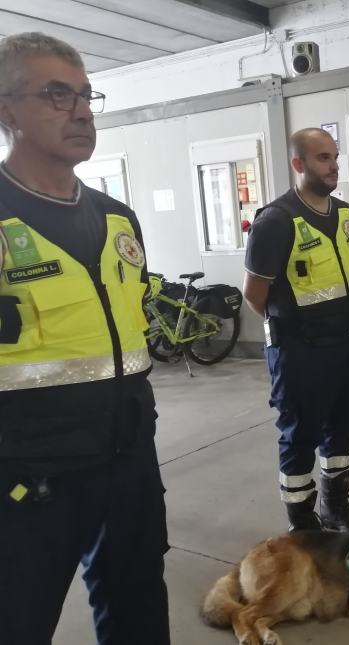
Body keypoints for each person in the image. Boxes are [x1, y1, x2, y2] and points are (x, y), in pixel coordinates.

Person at [0, 33, 170, 644]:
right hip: (28, 476)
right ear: (6, 109)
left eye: (86, 95)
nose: (81, 110)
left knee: (138, 606)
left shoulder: (117, 217)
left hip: (128, 457)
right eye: (56, 94)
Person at [243, 127, 349, 533]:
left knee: (342, 424)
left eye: (335, 156)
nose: (333, 165)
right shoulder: (276, 221)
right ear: (298, 164)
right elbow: (254, 294)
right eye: (323, 158)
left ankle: (336, 506)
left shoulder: (347, 213)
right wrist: (297, 327)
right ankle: (302, 522)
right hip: (301, 351)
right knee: (300, 433)